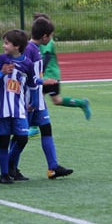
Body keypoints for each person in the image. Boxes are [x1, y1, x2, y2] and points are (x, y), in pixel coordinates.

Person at [21, 19, 74, 179]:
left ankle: (53, 167)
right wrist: (37, 90)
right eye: (50, 36)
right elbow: (28, 76)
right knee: (20, 136)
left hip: (38, 98)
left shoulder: (36, 49)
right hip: (30, 100)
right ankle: (10, 167)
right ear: (44, 36)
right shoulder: (29, 49)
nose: (51, 39)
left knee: (46, 128)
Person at [0, 29, 35, 184]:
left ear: (16, 46)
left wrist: (34, 102)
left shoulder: (27, 64)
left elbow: (32, 85)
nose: (3, 46)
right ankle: (4, 174)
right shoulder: (0, 59)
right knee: (3, 141)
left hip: (20, 109)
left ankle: (10, 163)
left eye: (6, 43)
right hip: (2, 110)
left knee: (22, 138)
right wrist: (0, 73)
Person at [32, 13, 91, 120]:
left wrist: (41, 72)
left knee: (39, 99)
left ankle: (35, 125)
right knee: (54, 100)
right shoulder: (40, 40)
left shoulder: (47, 42)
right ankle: (81, 103)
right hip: (48, 74)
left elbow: (47, 57)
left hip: (49, 75)